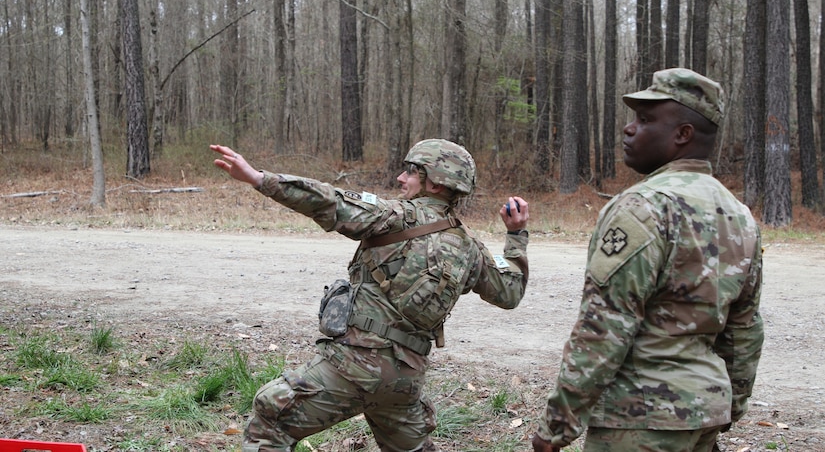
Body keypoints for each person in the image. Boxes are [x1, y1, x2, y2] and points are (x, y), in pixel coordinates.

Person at [210, 138, 530, 452]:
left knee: (270, 421)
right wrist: (516, 235)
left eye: (411, 171)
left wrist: (259, 179)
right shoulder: (472, 248)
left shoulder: (392, 216)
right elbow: (510, 291)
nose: (401, 178)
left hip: (353, 366)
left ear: (434, 184)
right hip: (404, 381)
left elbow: (329, 200)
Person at [532, 68, 764, 452]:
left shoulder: (644, 206)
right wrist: (725, 405)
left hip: (639, 421)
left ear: (682, 134)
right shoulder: (739, 215)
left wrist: (557, 426)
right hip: (702, 416)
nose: (628, 129)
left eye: (645, 119)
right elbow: (744, 329)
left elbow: (605, 325)